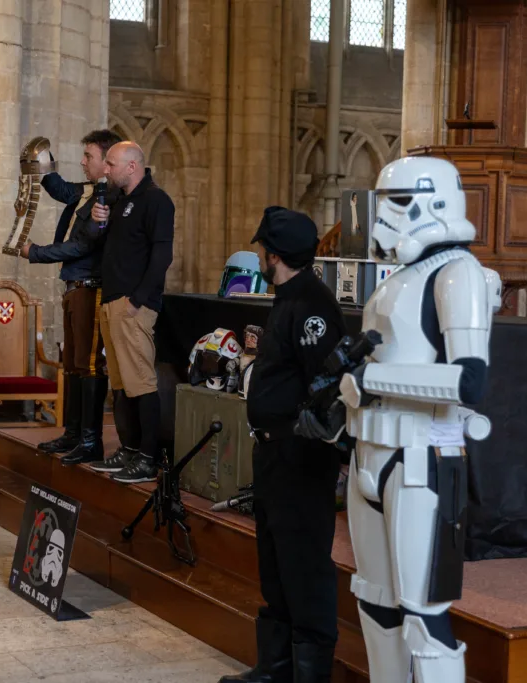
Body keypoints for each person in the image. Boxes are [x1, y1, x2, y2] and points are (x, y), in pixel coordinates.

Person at [331, 157, 499, 682]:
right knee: (376, 604)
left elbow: (469, 380)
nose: (388, 217)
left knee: (424, 614)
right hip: (370, 452)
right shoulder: (403, 276)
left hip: (423, 456)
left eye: (400, 202)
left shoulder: (459, 273)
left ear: (437, 202)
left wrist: (372, 379)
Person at [220, 207, 346, 683]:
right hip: (274, 452)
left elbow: (329, 385)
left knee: (304, 566)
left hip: (300, 456)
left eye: (261, 250)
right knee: (274, 564)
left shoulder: (312, 304)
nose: (258, 257)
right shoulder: (288, 296)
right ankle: (274, 669)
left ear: (274, 255)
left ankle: (309, 674)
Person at [22, 129, 123, 465]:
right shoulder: (89, 192)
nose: (83, 162)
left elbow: (83, 245)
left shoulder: (108, 200)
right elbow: (61, 189)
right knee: (73, 364)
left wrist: (36, 252)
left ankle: (91, 441)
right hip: (73, 286)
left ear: (107, 163)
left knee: (91, 364)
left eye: (89, 157)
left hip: (91, 287)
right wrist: (44, 163)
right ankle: (72, 433)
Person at [89, 141, 175, 484]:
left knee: (141, 381)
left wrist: (137, 300)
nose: (105, 169)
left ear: (132, 166)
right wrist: (99, 223)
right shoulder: (121, 201)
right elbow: (101, 246)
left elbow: (161, 256)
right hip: (112, 302)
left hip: (133, 306)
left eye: (110, 163)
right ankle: (129, 448)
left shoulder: (157, 201)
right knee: (121, 383)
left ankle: (147, 457)